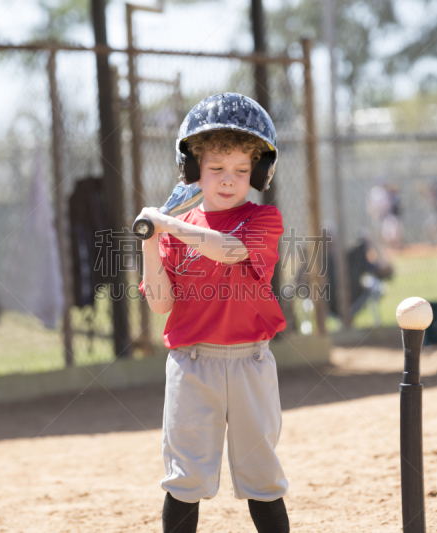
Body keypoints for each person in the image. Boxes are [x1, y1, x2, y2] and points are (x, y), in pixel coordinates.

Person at [136, 93, 290, 533]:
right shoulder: (169, 233)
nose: (229, 180)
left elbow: (228, 251)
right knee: (185, 478)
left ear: (258, 174)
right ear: (191, 171)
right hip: (192, 364)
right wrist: (150, 240)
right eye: (216, 169)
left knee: (262, 477)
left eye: (242, 170)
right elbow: (162, 303)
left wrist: (168, 224)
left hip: (251, 362)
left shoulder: (263, 220)